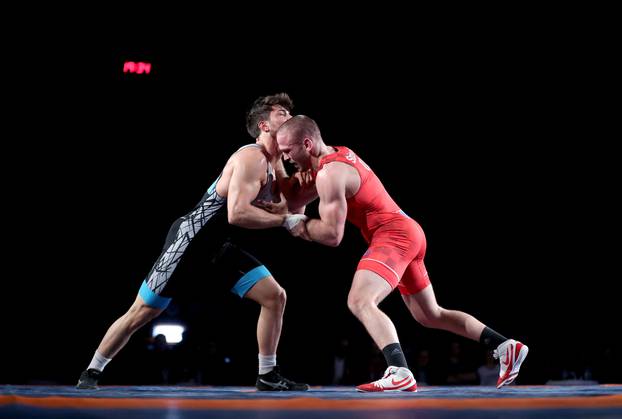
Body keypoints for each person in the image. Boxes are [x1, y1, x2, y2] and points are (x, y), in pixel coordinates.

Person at [269, 115, 528, 392]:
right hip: (408, 231)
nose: (286, 158)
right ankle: (504, 345)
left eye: (287, 152)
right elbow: (295, 199)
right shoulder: (336, 157)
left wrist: (298, 225)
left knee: (360, 300)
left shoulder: (329, 174)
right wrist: (277, 173)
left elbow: (333, 235)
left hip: (395, 236)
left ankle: (399, 371)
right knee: (430, 314)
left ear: (307, 144)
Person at [76, 93, 310, 391]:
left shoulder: (278, 166)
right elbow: (238, 214)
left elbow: (292, 212)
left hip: (219, 249)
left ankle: (267, 375)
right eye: (281, 113)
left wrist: (308, 185)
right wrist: (284, 219)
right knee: (143, 312)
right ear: (264, 125)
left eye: (290, 113)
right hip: (190, 241)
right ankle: (92, 371)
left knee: (275, 296)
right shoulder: (251, 157)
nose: (289, 116)